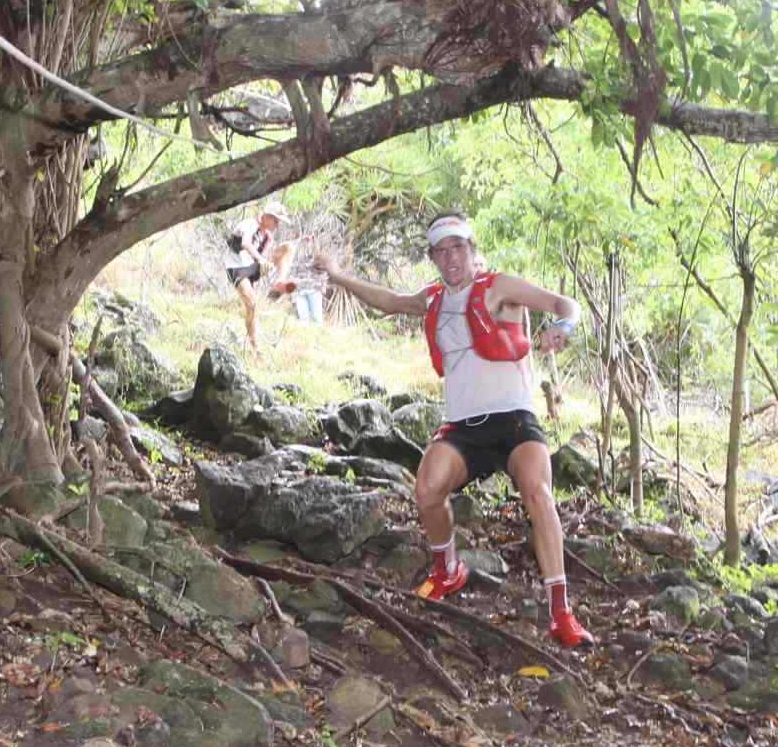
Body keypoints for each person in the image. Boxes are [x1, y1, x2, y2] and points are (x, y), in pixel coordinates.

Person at [315, 215, 598, 648]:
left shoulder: (499, 287)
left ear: (471, 249)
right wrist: (337, 276)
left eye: (457, 248)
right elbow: (388, 300)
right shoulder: (431, 299)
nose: (450, 259)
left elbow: (565, 304)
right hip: (464, 426)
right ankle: (447, 569)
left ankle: (561, 613)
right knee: (427, 490)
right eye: (441, 251)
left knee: (539, 494)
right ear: (432, 257)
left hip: (513, 419)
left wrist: (564, 327)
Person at [223, 201, 299, 351]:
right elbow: (245, 243)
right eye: (276, 221)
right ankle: (255, 347)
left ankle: (280, 282)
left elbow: (264, 257)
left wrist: (265, 264)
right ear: (267, 216)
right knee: (251, 305)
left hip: (253, 267)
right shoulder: (249, 224)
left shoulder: (268, 237)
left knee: (288, 248)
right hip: (237, 268)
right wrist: (261, 260)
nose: (278, 225)